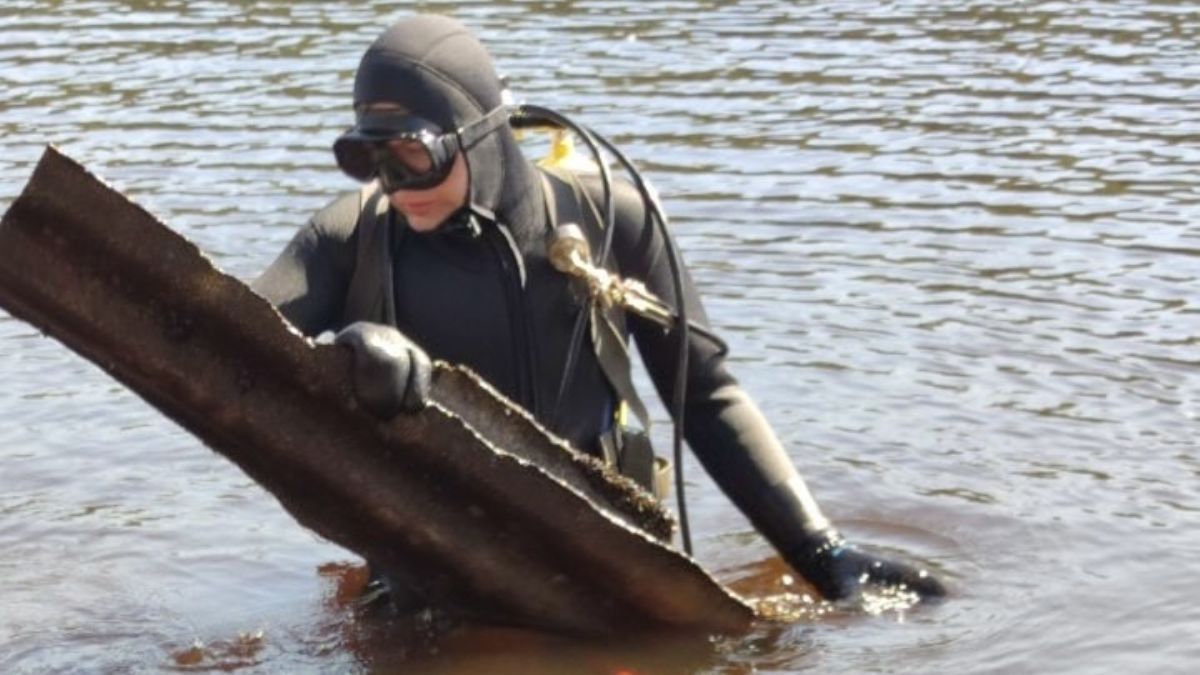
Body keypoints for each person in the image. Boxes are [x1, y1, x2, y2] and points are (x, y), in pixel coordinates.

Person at [252, 14, 945, 611]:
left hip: (602, 561)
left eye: (415, 154)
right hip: (432, 569)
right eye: (369, 158)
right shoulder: (351, 239)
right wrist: (346, 349)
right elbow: (227, 342)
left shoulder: (610, 218)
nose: (396, 184)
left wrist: (822, 554)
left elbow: (704, 395)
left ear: (484, 134)